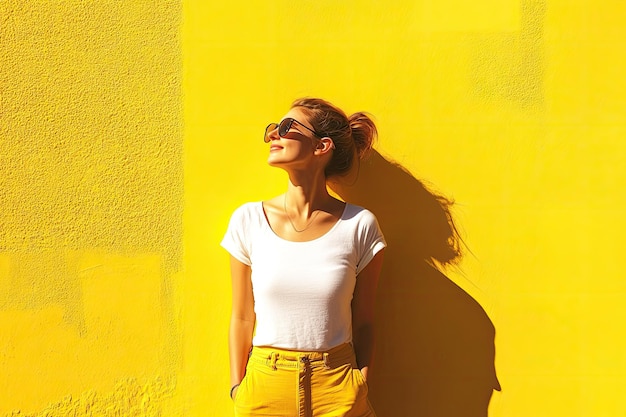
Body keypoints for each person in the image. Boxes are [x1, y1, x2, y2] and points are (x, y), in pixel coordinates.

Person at [221, 97, 386, 417]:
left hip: (336, 384)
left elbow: (364, 319)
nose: (272, 135)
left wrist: (360, 383)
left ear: (322, 146)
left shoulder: (359, 225)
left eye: (286, 128)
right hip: (265, 385)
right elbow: (241, 316)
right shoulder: (248, 220)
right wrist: (236, 388)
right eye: (272, 129)